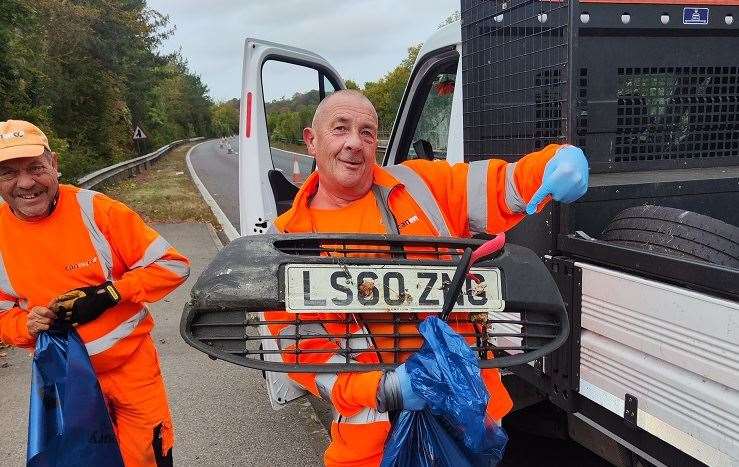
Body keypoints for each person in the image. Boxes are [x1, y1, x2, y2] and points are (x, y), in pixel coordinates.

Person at [266, 90, 589, 466]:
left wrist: (555, 162)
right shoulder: (289, 245)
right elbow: (306, 354)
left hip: (469, 426)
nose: (355, 143)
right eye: (340, 129)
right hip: (371, 448)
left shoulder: (420, 186)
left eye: (367, 132)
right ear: (312, 140)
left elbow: (504, 184)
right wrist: (387, 389)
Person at [0, 120, 191, 466]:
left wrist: (110, 294)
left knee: (148, 456)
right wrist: (26, 326)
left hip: (131, 371)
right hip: (64, 380)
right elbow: (3, 315)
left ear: (55, 165)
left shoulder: (96, 210)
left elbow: (173, 266)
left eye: (36, 168)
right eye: (8, 173)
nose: (26, 183)